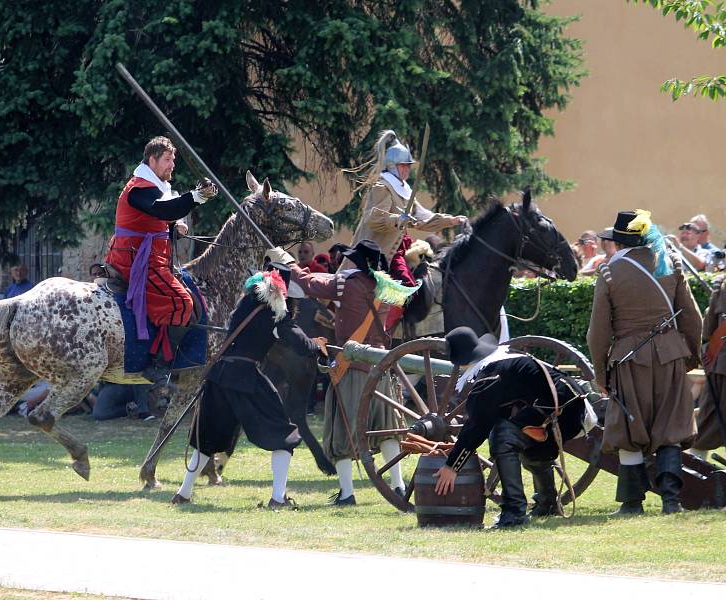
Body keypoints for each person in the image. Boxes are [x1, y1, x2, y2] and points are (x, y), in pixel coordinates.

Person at [273, 239, 419, 505]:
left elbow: (308, 283)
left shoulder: (346, 284)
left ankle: (348, 493)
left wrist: (288, 261)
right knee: (386, 429)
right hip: (380, 366)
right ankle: (398, 486)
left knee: (341, 432)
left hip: (351, 367)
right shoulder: (387, 288)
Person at [171, 263, 326, 509]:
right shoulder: (277, 313)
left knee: (206, 439)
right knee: (284, 435)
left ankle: (183, 493)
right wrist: (318, 344)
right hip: (245, 378)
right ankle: (278, 498)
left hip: (219, 376)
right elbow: (302, 346)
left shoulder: (244, 304)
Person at [587, 210, 702, 515]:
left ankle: (632, 501)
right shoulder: (671, 263)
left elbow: (598, 333)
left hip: (628, 359)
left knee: (628, 428)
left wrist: (601, 373)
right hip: (670, 356)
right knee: (672, 426)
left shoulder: (609, 271)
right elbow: (693, 318)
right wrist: (688, 356)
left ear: (620, 240)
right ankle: (670, 500)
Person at [433, 327, 587, 527]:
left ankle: (514, 512)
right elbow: (501, 411)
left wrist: (452, 466)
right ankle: (547, 502)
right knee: (520, 436)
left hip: (562, 410)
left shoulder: (490, 375)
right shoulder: (505, 361)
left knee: (503, 436)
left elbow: (477, 425)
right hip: (568, 403)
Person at [104, 136, 218, 383]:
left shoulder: (156, 186)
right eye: (167, 160)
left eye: (173, 160)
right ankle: (158, 363)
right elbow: (162, 209)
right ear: (152, 160)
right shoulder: (138, 187)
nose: (172, 165)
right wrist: (196, 197)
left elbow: (163, 215)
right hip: (136, 261)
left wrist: (173, 227)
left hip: (153, 258)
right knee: (183, 303)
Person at [345, 130, 466, 330]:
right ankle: (383, 330)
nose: (408, 170)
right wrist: (398, 218)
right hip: (376, 254)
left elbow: (422, 218)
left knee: (417, 285)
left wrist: (450, 220)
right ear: (392, 166)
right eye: (404, 166)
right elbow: (373, 218)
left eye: (409, 166)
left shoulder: (404, 190)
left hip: (396, 252)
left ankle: (394, 329)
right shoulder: (381, 187)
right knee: (406, 287)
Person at [689, 278, 726, 459]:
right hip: (719, 366)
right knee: (707, 425)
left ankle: (696, 472)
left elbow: (708, 330)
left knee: (706, 425)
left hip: (720, 367)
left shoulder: (722, 290)